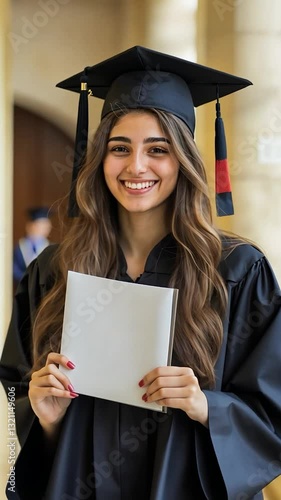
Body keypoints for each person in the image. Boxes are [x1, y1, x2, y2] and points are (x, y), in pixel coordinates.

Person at [1, 46, 281, 500]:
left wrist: (206, 405)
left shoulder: (236, 271)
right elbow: (21, 396)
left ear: (183, 161)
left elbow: (272, 412)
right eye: (119, 148)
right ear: (98, 159)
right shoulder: (54, 271)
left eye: (158, 149)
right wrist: (45, 419)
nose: (136, 167)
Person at [13, 206, 52, 287]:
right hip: (22, 290)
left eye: (46, 227)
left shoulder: (51, 248)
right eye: (40, 226)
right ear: (30, 226)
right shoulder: (19, 248)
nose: (44, 230)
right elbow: (13, 269)